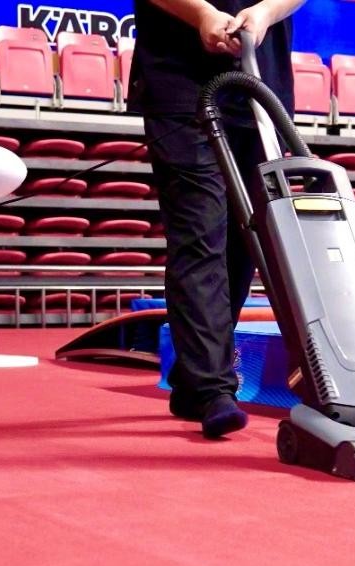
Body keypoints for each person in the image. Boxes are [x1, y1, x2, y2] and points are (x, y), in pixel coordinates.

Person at [127, 0, 307, 438]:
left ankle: (193, 381)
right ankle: (212, 387)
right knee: (200, 233)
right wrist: (202, 14)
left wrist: (267, 12)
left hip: (259, 83)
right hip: (180, 83)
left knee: (247, 242)